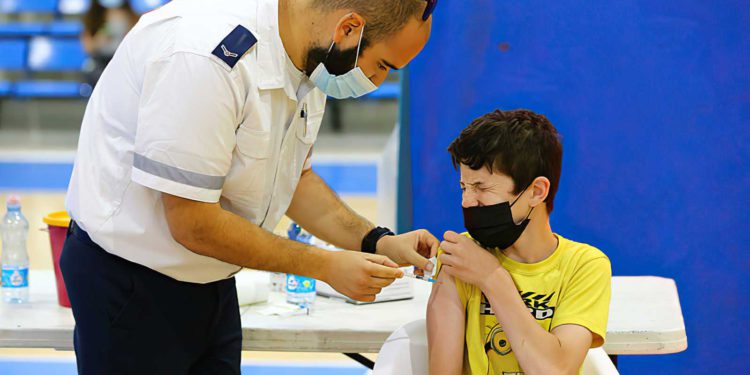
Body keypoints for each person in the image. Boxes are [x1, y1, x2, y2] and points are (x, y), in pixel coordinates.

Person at [60, 0, 437, 373]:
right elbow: (192, 222)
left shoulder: (318, 57)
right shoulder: (205, 55)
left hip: (211, 281)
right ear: (348, 28)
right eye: (384, 65)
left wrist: (379, 241)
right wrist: (325, 266)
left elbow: (297, 181)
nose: (377, 81)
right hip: (130, 284)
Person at [427, 109, 612, 375]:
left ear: (536, 192)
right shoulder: (460, 257)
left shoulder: (585, 266)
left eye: (481, 188)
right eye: (463, 187)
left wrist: (492, 278)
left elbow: (556, 370)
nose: (467, 202)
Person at [81, 0, 139, 87]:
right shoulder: (92, 17)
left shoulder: (132, 17)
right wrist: (99, 39)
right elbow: (88, 47)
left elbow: (138, 44)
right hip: (100, 62)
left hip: (123, 61)